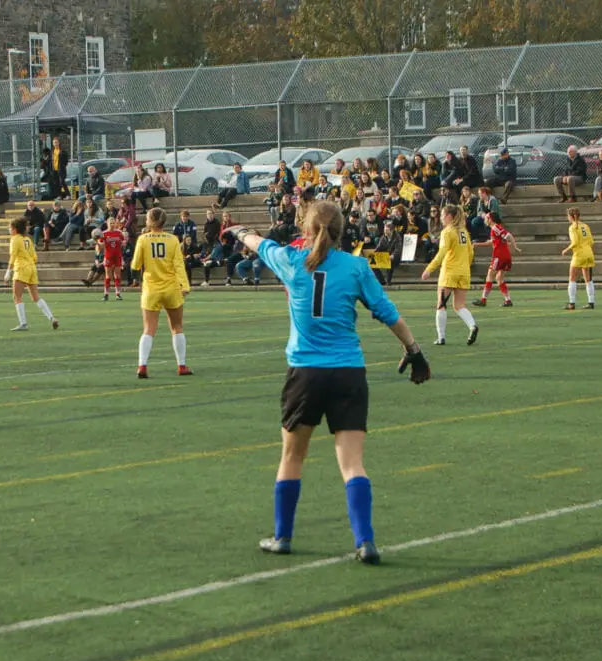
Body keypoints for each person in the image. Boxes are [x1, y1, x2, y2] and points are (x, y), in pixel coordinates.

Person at [223, 201, 429, 559]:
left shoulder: (290, 260)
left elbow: (258, 243)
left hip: (305, 373)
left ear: (305, 228)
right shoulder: (355, 267)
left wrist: (238, 231)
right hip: (348, 373)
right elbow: (387, 313)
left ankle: (282, 537)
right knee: (352, 463)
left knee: (292, 456)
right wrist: (414, 350)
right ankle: (365, 542)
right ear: (340, 231)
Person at [130, 207, 192, 378]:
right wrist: (185, 286)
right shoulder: (172, 240)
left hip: (151, 289)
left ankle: (142, 366)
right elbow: (179, 265)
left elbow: (135, 265)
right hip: (171, 288)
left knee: (149, 329)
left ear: (149, 221)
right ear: (164, 221)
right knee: (177, 327)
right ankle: (181, 366)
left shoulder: (143, 239)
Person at [422, 204, 479, 346]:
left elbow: (442, 252)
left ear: (449, 216)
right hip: (464, 272)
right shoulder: (464, 231)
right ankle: (472, 326)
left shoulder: (447, 232)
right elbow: (470, 253)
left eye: (442, 215)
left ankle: (441, 337)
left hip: (449, 272)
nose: (441, 218)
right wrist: (465, 265)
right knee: (459, 305)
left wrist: (430, 268)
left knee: (441, 304)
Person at [4, 217, 59, 332]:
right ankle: (51, 317)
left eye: (10, 227)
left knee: (17, 297)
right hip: (32, 268)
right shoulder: (28, 239)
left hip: (21, 268)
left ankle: (23, 323)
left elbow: (13, 255)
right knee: (35, 297)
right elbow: (35, 257)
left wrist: (8, 271)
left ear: (15, 229)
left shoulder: (15, 239)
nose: (9, 229)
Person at [473, 212, 521, 307]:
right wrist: (478, 244)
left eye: (487, 218)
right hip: (506, 256)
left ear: (491, 219)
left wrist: (515, 247)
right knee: (499, 278)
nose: (485, 219)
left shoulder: (495, 227)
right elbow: (494, 241)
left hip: (499, 256)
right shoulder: (495, 229)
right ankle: (508, 300)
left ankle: (483, 300)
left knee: (489, 276)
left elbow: (509, 236)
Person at [562, 207, 596, 310]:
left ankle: (571, 303)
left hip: (579, 254)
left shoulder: (572, 227)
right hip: (589, 253)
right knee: (588, 279)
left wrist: (566, 249)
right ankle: (591, 302)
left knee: (572, 278)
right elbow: (591, 241)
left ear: (571, 217)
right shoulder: (585, 226)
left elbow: (575, 242)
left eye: (568, 216)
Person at [100, 218, 126, 301]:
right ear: (107, 223)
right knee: (108, 276)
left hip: (118, 256)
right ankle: (106, 294)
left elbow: (123, 242)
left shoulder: (119, 233)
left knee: (117, 275)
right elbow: (101, 245)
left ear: (115, 223)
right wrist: (98, 242)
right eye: (110, 223)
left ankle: (118, 293)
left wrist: (124, 243)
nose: (112, 224)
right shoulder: (104, 233)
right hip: (108, 256)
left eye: (113, 223)